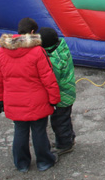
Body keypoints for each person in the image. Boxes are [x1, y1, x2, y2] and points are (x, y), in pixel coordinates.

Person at [0, 17, 60, 173]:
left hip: (14, 100)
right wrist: (54, 99)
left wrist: (0, 99)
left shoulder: (2, 51)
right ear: (31, 32)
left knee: (20, 131)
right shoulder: (38, 51)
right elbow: (48, 78)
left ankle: (21, 164)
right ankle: (44, 161)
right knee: (39, 131)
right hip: (37, 100)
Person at [38, 27, 76, 156]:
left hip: (62, 95)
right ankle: (69, 137)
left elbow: (52, 80)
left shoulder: (54, 60)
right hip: (68, 91)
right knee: (65, 117)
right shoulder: (61, 46)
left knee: (59, 121)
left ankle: (64, 145)